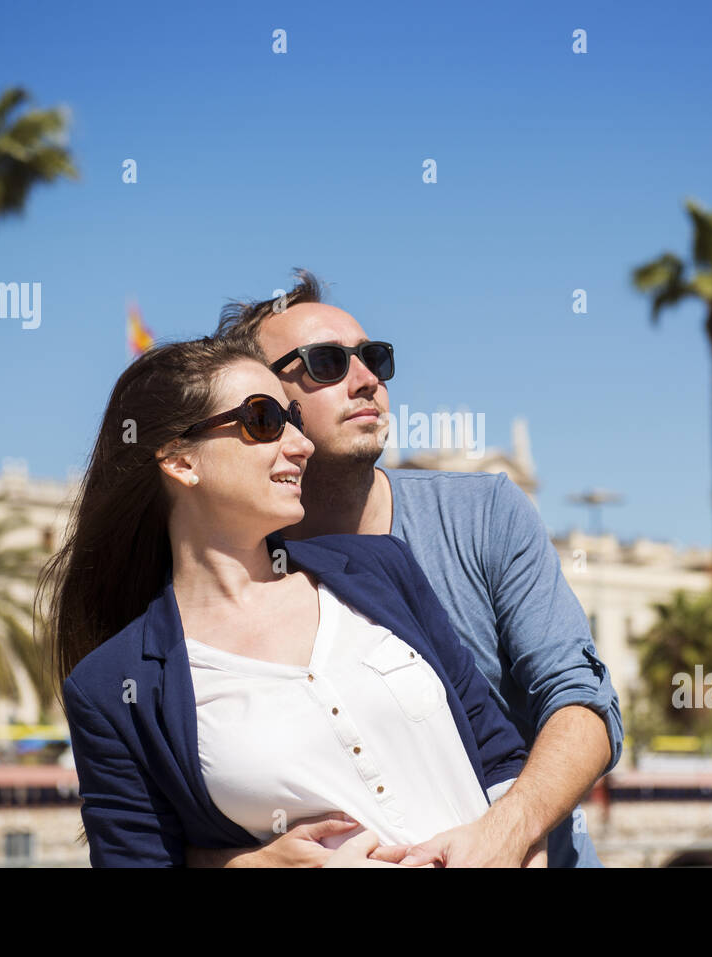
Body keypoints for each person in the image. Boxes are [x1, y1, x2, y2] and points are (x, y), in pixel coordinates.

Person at [43, 336, 534, 867]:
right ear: (181, 461)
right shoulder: (113, 688)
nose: (301, 444)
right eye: (265, 420)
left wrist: (515, 849)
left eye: (294, 418)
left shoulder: (380, 570)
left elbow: (499, 759)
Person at [202, 270, 623, 868]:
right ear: (259, 408)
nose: (367, 378)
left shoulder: (484, 514)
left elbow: (583, 701)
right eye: (325, 362)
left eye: (374, 358)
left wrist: (509, 831)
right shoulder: (231, 575)